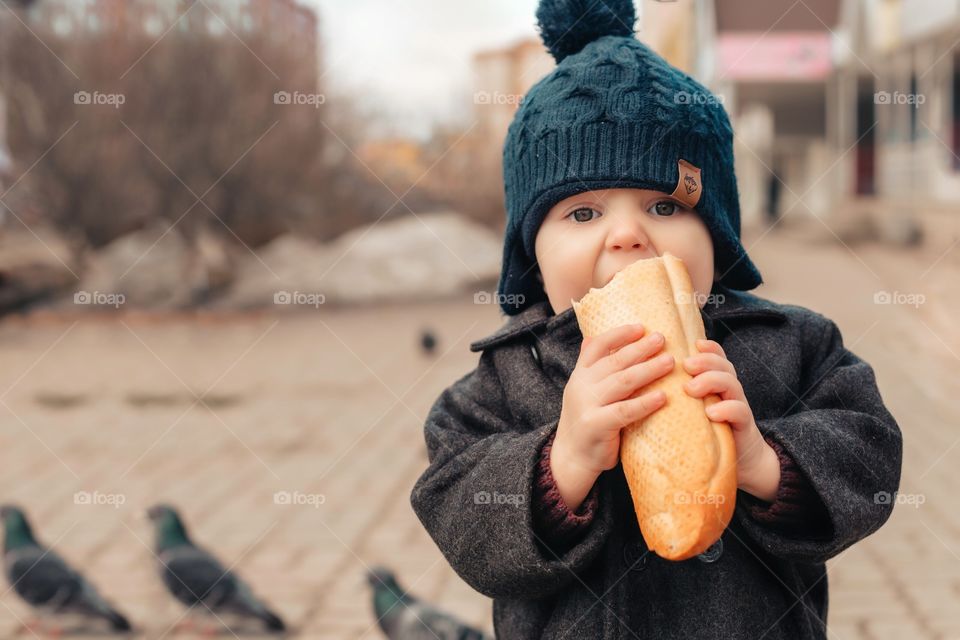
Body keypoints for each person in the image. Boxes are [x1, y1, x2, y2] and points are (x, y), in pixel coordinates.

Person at [410, 1, 902, 637]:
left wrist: (764, 463)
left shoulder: (791, 344)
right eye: (583, 214)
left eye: (665, 206)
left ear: (717, 233)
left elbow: (870, 455)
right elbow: (458, 514)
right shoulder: (505, 376)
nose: (627, 236)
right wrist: (563, 462)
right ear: (530, 251)